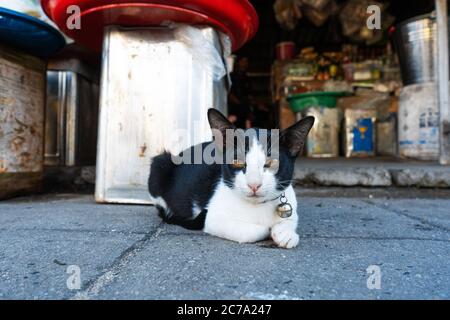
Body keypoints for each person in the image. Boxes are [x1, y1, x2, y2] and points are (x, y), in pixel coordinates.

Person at [228, 56, 252, 129]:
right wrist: (239, 104)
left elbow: (249, 95)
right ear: (238, 62)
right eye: (242, 61)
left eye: (246, 62)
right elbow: (230, 94)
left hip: (244, 111)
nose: (244, 64)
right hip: (234, 110)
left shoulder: (246, 78)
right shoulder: (231, 76)